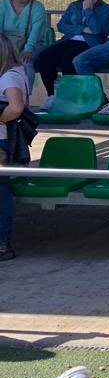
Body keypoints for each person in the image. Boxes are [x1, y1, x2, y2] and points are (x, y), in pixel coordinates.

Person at [35, 0, 109, 109]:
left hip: (91, 43)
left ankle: (70, 97)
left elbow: (97, 29)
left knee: (68, 60)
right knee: (45, 56)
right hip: (70, 39)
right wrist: (82, 29)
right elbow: (61, 25)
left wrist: (88, 10)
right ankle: (52, 95)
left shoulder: (106, 9)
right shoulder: (74, 6)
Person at [0, 34, 29, 261]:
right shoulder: (15, 73)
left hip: (2, 139)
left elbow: (16, 107)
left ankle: (3, 243)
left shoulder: (8, 76)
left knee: (1, 192)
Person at [1, 0, 48, 91]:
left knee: (25, 62)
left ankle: (26, 96)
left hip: (33, 44)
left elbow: (36, 31)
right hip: (6, 44)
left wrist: (29, 49)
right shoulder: (2, 5)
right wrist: (5, 49)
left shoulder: (37, 7)